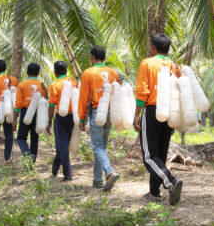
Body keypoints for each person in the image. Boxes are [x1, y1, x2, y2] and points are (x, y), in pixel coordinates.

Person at [133, 33, 183, 205]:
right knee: (160, 154)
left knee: (149, 156)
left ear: (153, 48)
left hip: (152, 109)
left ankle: (171, 182)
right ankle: (154, 193)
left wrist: (136, 114)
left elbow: (142, 91)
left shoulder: (147, 63)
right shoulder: (175, 66)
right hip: (170, 111)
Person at [77, 46, 121, 191]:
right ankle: (97, 180)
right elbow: (117, 92)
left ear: (92, 57)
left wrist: (81, 117)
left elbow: (83, 97)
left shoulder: (88, 73)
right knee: (101, 146)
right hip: (110, 111)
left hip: (97, 111)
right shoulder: (113, 72)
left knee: (96, 146)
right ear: (105, 57)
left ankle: (109, 172)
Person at [48, 61, 78, 181]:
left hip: (61, 116)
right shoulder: (74, 82)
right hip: (73, 116)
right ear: (66, 71)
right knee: (63, 144)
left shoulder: (55, 85)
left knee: (63, 145)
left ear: (55, 72)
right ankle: (55, 168)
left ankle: (67, 174)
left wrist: (49, 121)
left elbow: (51, 105)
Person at [14, 63, 47, 162]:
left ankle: (28, 155)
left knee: (21, 137)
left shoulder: (22, 85)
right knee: (34, 137)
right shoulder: (42, 85)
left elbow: (18, 103)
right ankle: (32, 161)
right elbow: (45, 101)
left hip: (26, 112)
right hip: (38, 113)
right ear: (38, 73)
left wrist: (15, 119)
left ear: (27, 72)